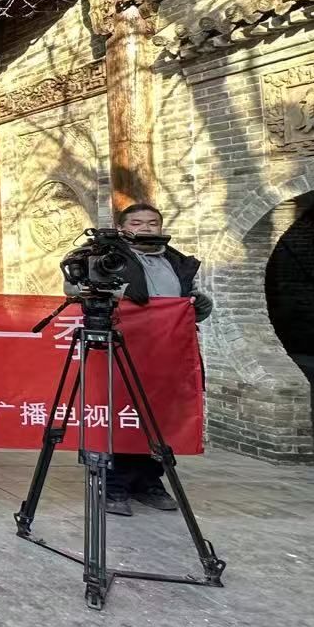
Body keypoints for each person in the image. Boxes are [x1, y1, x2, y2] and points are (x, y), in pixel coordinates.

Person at [107, 202, 213, 517]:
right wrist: (119, 294)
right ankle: (113, 484)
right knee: (121, 416)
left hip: (168, 355)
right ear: (122, 227)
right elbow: (76, 287)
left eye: (152, 222)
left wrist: (197, 305)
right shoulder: (108, 257)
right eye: (136, 222)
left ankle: (149, 481)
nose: (145, 228)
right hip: (121, 351)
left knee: (158, 419)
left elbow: (189, 307)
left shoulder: (177, 262)